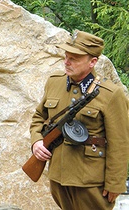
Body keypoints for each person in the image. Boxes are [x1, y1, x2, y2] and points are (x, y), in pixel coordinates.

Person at [29, 30, 129, 209]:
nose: (67, 62)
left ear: (92, 62)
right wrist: (37, 142)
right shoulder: (55, 82)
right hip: (58, 177)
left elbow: (120, 143)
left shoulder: (111, 94)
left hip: (91, 181)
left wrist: (115, 183)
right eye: (66, 56)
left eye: (74, 58)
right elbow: (38, 118)